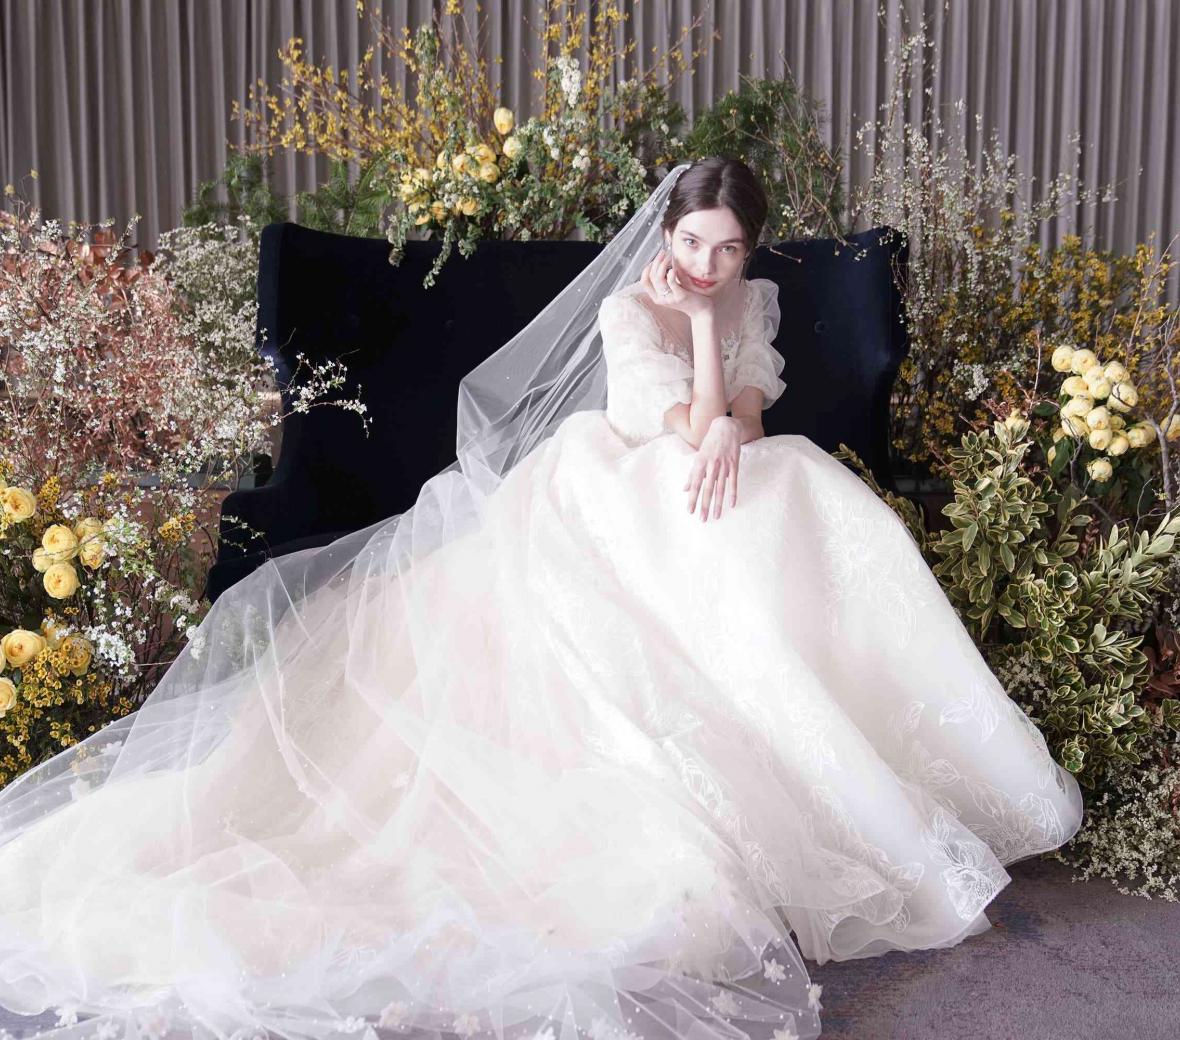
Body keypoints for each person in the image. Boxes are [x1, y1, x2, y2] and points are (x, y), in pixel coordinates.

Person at [0, 158, 1084, 1040]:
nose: (706, 264)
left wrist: (716, 348)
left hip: (714, 467)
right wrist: (697, 353)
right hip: (618, 482)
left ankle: (857, 742)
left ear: (752, 250)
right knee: (731, 498)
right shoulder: (626, 307)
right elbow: (675, 431)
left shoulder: (750, 299)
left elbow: (741, 427)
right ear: (666, 232)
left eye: (729, 249)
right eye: (692, 243)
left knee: (804, 484)